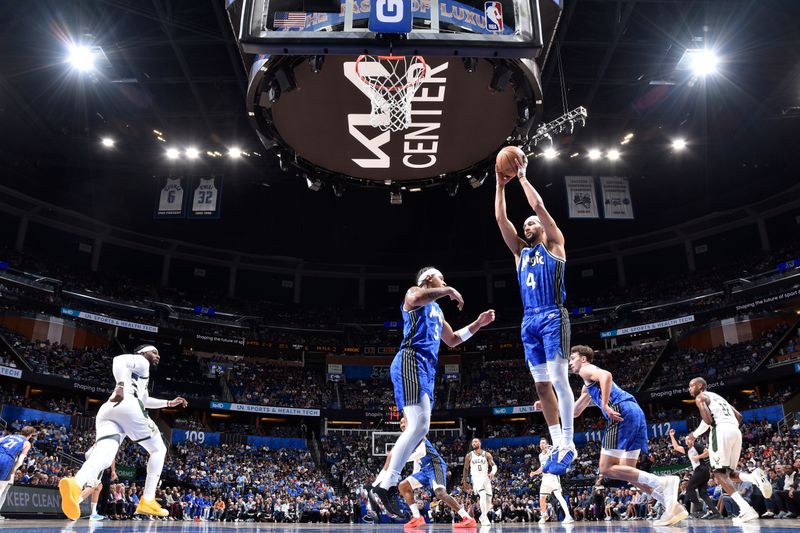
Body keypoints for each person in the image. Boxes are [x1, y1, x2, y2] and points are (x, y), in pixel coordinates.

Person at [371, 267, 495, 516]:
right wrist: (447, 290)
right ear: (429, 279)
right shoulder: (414, 294)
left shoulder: (437, 311)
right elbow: (415, 298)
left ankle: (381, 485)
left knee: (420, 427)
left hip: (426, 369)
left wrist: (478, 324)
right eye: (442, 278)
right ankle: (385, 484)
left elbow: (452, 340)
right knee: (418, 424)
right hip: (410, 360)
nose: (446, 282)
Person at [494, 151, 575, 475]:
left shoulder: (555, 244)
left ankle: (568, 441)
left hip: (554, 315)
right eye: (524, 223)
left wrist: (523, 177)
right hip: (529, 321)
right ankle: (557, 442)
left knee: (558, 378)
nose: (527, 224)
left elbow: (539, 207)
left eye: (531, 222)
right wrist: (500, 186)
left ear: (542, 226)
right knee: (542, 387)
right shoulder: (520, 254)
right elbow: (501, 220)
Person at [59, 345, 188, 520]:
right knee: (159, 449)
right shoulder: (142, 361)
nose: (158, 356)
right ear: (142, 352)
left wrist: (168, 403)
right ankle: (148, 499)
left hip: (109, 410)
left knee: (104, 457)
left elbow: (145, 400)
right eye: (154, 352)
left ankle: (75, 484)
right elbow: (118, 360)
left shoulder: (140, 377)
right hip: (128, 404)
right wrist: (120, 385)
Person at [566, 345, 687, 526]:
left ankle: (664, 481)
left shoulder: (586, 369)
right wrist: (548, 405)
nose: (570, 362)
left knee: (606, 468)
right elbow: (575, 412)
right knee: (630, 475)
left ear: (583, 359)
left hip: (620, 411)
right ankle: (671, 505)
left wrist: (605, 405)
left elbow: (606, 376)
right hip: (634, 412)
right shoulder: (587, 386)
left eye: (572, 358)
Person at [688, 377, 772, 524]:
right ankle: (753, 478)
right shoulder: (718, 397)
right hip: (735, 430)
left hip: (721, 431)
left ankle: (746, 509)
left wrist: (693, 435)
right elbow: (739, 417)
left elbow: (708, 421)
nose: (689, 389)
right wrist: (730, 428)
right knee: (729, 474)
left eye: (691, 386)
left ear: (700, 386)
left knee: (718, 474)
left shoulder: (700, 397)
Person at [399, 433, 477, 529]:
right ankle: (417, 517)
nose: (402, 425)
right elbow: (417, 459)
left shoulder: (418, 433)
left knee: (440, 493)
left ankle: (467, 518)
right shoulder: (409, 440)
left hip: (435, 464)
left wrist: (403, 459)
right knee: (403, 486)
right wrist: (414, 477)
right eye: (401, 423)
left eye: (404, 422)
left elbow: (422, 453)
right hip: (424, 469)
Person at [668, 428, 720, 518]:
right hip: (702, 471)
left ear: (692, 440)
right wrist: (672, 436)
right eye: (686, 439)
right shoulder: (687, 450)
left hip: (702, 469)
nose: (687, 440)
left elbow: (707, 452)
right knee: (703, 493)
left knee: (689, 488)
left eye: (688, 439)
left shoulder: (696, 446)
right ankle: (716, 513)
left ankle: (699, 510)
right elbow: (676, 447)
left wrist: (698, 457)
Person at [530, 438, 573, 524]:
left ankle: (568, 516)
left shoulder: (551, 452)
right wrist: (535, 473)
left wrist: (552, 449)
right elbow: (542, 467)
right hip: (545, 478)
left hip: (553, 476)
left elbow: (558, 452)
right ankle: (545, 515)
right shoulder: (540, 455)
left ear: (547, 444)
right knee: (542, 498)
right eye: (540, 443)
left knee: (559, 496)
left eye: (543, 443)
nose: (541, 444)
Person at [0, 426, 36, 519]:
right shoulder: (26, 443)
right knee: (2, 489)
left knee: (6, 488)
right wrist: (13, 470)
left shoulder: (9, 436)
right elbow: (20, 461)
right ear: (31, 435)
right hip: (8, 461)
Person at [462, 437, 497, 526]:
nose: (473, 443)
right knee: (482, 495)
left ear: (480, 443)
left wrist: (492, 472)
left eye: (476, 441)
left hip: (485, 478)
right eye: (472, 442)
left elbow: (494, 465)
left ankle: (482, 516)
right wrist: (465, 481)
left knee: (489, 501)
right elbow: (466, 469)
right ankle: (484, 518)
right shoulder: (469, 455)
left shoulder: (487, 454)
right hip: (476, 478)